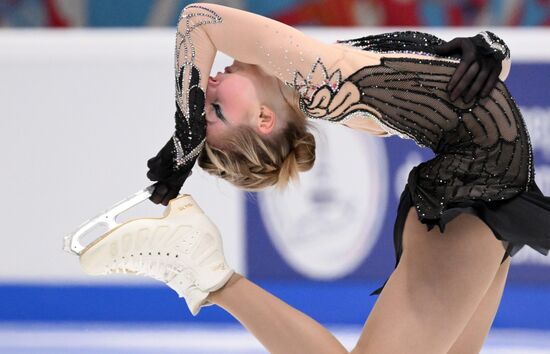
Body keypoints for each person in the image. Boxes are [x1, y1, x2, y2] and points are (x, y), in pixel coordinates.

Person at [131, 3, 549, 354]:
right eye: (216, 109)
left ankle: (217, 282)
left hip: (489, 191)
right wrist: (188, 136)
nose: (205, 87)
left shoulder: (325, 76)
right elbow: (199, 21)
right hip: (472, 197)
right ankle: (216, 280)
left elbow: (470, 84)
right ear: (263, 118)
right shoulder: (314, 75)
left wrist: (493, 50)